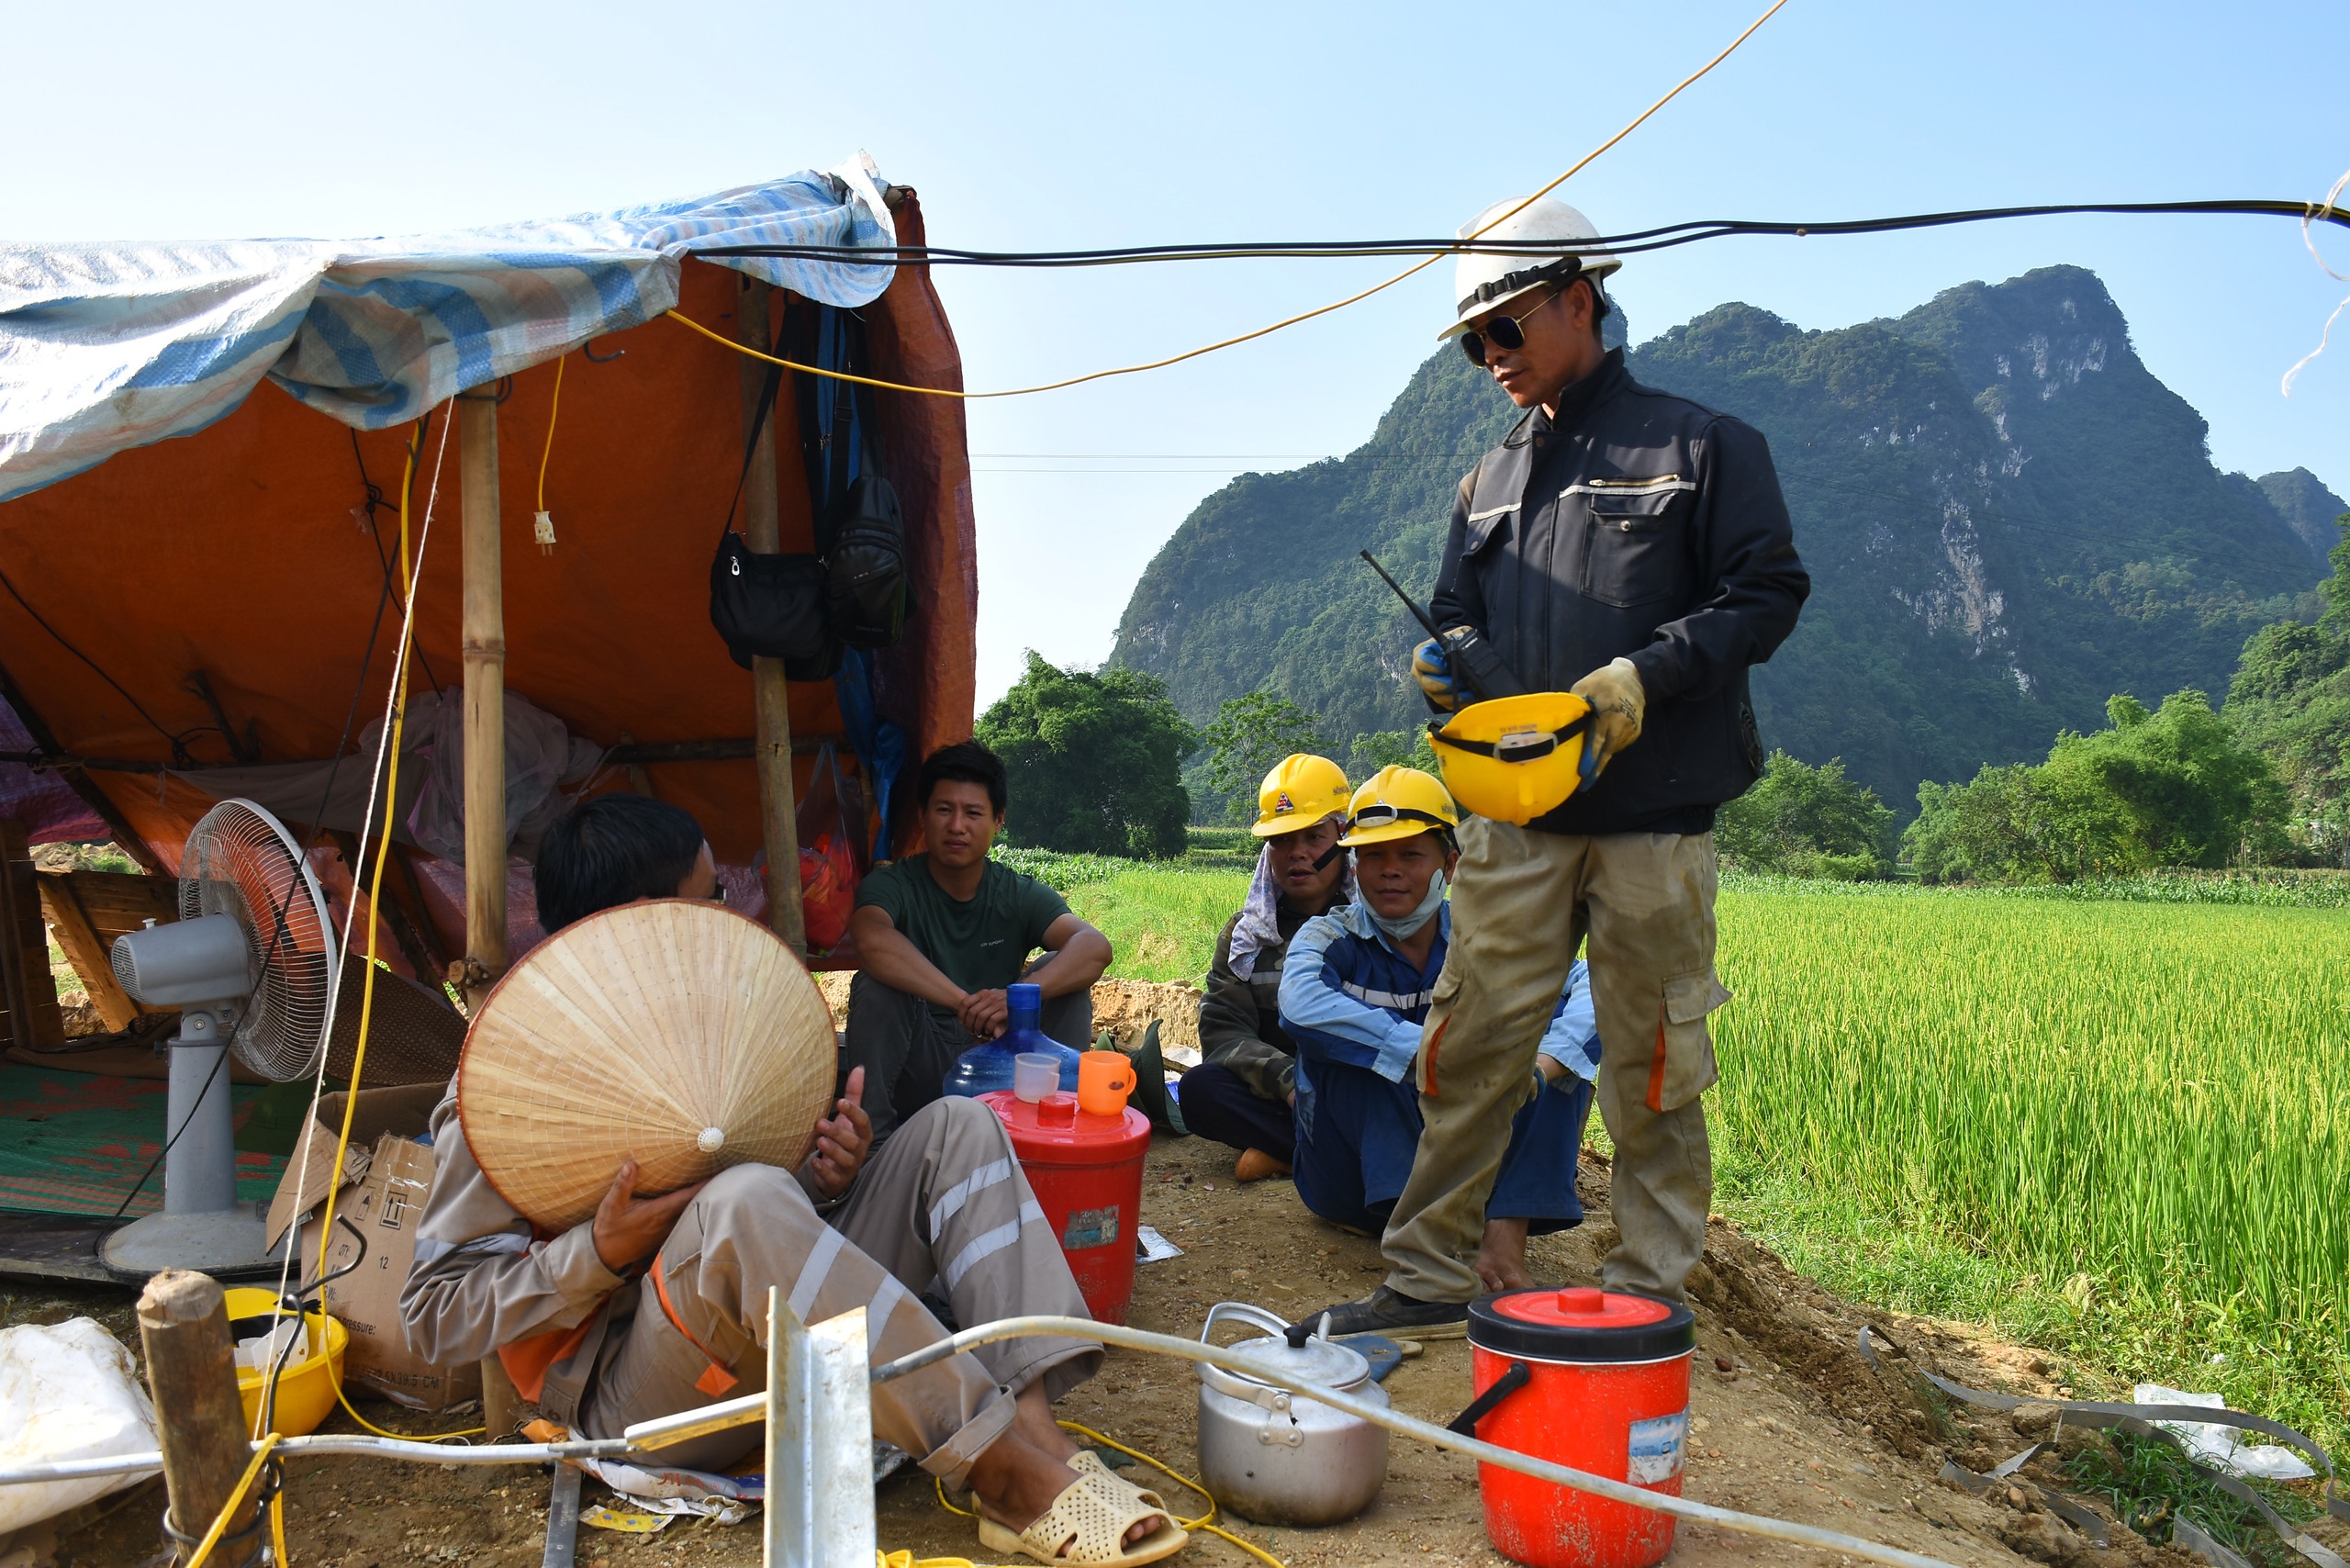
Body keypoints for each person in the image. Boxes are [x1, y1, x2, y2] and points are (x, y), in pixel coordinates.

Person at [403, 792, 1184, 1567]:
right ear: (649, 915)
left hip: (764, 1341)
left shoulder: (717, 1029)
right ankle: (1002, 1472)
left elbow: (770, 1231)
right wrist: (598, 1256)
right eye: (709, 895)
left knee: (961, 1125)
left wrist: (829, 1180)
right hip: (641, 1397)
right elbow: (434, 1317)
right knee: (742, 1201)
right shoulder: (513, 1081)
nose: (726, 912)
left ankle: (1036, 1431)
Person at [1305, 196, 1809, 1337]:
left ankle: (1641, 1294)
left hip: (1652, 814)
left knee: (1650, 1061)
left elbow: (1766, 592)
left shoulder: (1701, 444)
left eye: (1507, 327)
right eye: (1475, 340)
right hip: (1515, 818)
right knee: (1473, 1037)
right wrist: (1455, 671)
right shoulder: (1482, 480)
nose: (1490, 357)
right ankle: (1428, 1275)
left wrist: (1647, 675)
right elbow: (1453, 609)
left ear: (1580, 298)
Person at [1278, 768, 1598, 1303]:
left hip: (1462, 1162)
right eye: (1375, 857)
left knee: (1559, 1069)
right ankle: (1426, 1245)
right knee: (1355, 1056)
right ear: (1355, 867)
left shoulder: (1482, 940)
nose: (1390, 873)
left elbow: (1591, 983)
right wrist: (1430, 1057)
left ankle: (1503, 1242)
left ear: (1450, 865)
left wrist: (1539, 1066)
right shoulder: (1330, 934)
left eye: (1410, 856)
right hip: (1351, 1179)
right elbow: (1300, 1006)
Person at [843, 742, 1114, 1143]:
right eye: (944, 810)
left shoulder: (1016, 891)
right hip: (921, 1063)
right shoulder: (891, 885)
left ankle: (1051, 1132)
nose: (957, 826)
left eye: (973, 813)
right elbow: (871, 939)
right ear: (923, 816)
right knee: (876, 984)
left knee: (1065, 982)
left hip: (1001, 1064)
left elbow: (1094, 947)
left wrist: (1016, 999)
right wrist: (962, 1003)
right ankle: (872, 1148)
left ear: (998, 821)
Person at [1179, 754, 1355, 1183]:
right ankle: (1339, 1153)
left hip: (1362, 1086)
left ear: (1343, 838)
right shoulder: (1246, 937)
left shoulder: (1377, 923)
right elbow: (1222, 1032)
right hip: (1283, 1095)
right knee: (1201, 1090)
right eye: (1281, 841)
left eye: (1312, 837)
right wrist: (1290, 1081)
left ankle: (1289, 1152)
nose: (1297, 854)